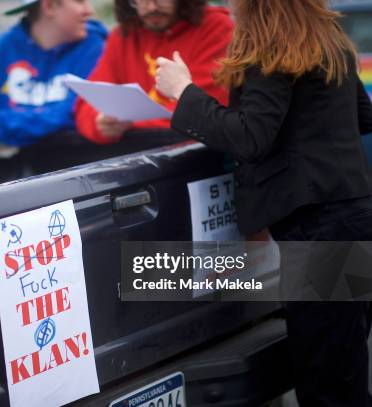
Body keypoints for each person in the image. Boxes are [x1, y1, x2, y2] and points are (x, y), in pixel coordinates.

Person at [155, 0, 372, 405]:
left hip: (318, 230)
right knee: (343, 367)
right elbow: (362, 115)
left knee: (327, 381)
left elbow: (249, 137)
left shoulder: (272, 45)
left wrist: (183, 91)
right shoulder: (328, 38)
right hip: (349, 214)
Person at [0, 0, 106, 149]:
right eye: (80, 1)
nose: (89, 10)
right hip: (14, 176)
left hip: (75, 168)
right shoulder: (7, 45)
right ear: (49, 6)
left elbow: (74, 112)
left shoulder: (95, 47)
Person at [74, 0, 233, 144]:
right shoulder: (123, 35)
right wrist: (100, 123)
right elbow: (87, 103)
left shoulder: (216, 26)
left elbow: (207, 108)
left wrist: (129, 122)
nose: (151, 7)